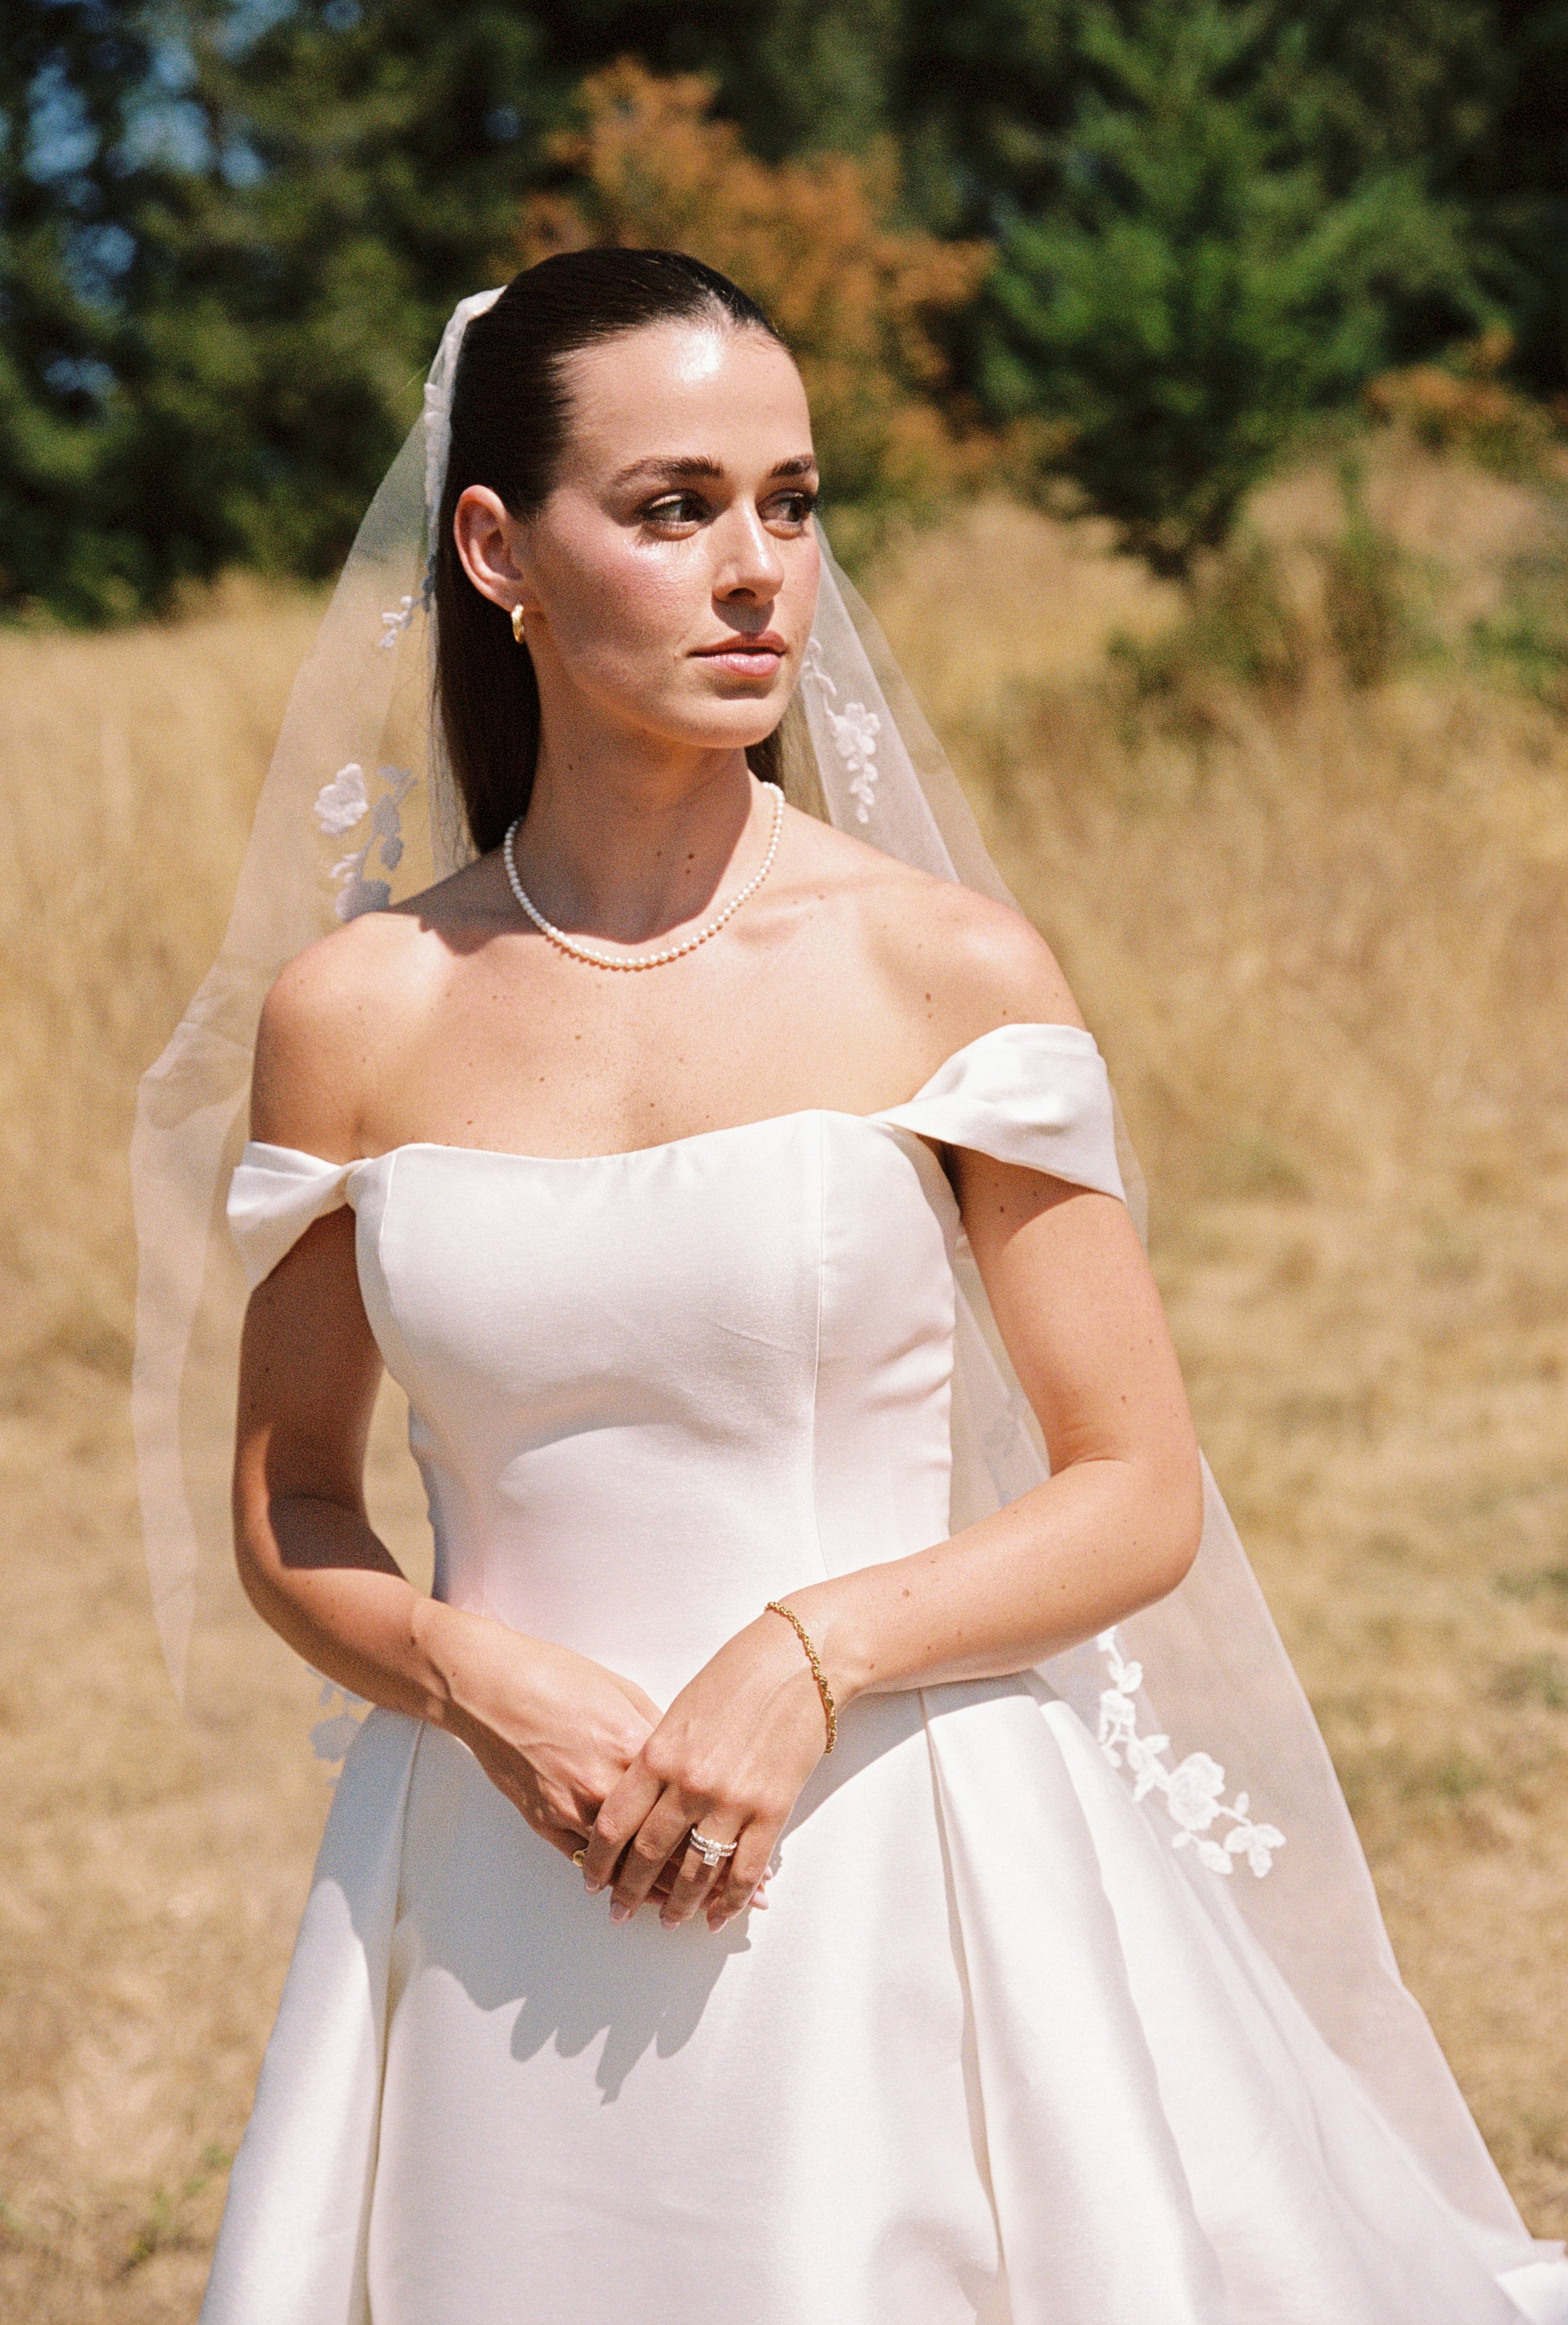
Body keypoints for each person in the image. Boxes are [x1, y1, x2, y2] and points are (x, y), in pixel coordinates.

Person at [145, 252, 1565, 2324]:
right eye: (672, 505)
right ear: (493, 548)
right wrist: (471, 1676)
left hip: (902, 1863)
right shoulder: (354, 1012)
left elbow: (1129, 1489)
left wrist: (804, 1653)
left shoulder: (940, 966)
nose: (756, 571)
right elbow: (293, 1511)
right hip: (491, 1895)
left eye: (791, 502)